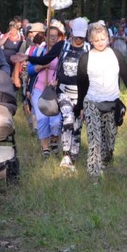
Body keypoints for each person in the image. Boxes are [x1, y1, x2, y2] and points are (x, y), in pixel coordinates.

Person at [75, 22, 127, 180]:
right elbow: (81, 84)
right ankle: (94, 176)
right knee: (95, 140)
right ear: (90, 40)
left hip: (112, 104)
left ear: (108, 38)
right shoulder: (85, 59)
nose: (100, 42)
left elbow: (126, 75)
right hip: (92, 103)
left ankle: (106, 158)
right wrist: (80, 106)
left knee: (109, 143)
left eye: (103, 38)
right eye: (96, 40)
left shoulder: (116, 55)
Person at [54, 17, 91, 171]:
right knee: (68, 119)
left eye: (81, 37)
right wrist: (29, 58)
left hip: (82, 95)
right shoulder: (64, 47)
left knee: (77, 126)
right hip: (63, 92)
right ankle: (65, 155)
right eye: (76, 36)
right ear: (71, 32)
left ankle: (73, 157)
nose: (78, 39)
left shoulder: (89, 49)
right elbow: (47, 57)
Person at [25, 22, 64, 157]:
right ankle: (45, 147)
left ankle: (54, 139)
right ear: (45, 37)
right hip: (38, 89)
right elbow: (29, 70)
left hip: (54, 90)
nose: (53, 39)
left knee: (55, 120)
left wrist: (58, 80)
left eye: (55, 36)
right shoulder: (40, 51)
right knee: (42, 118)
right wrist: (40, 66)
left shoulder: (62, 52)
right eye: (50, 36)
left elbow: (64, 70)